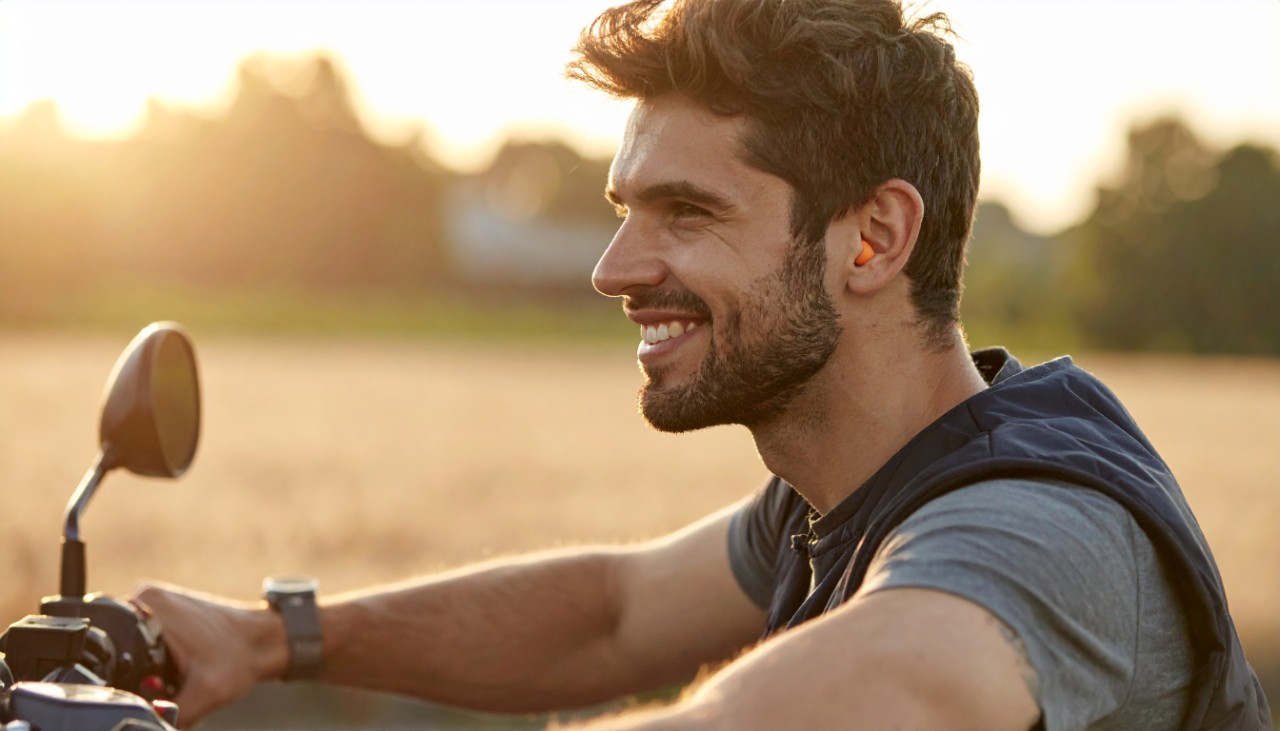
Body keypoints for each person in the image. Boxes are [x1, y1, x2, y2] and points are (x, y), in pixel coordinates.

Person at [135, 0, 1272, 729]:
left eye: (686, 210)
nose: (614, 269)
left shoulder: (1042, 531)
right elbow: (612, 614)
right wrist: (266, 635)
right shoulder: (835, 496)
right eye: (624, 210)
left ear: (872, 238)